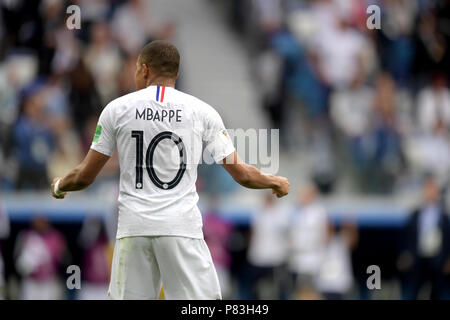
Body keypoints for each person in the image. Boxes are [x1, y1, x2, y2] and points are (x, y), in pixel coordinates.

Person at [50, 40, 290, 300]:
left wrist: (60, 185)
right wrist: (273, 180)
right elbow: (242, 174)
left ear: (144, 69)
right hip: (180, 227)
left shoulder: (116, 109)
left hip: (134, 228)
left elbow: (85, 176)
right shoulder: (202, 111)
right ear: (176, 73)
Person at [397, 174, 450, 299]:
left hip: (438, 261)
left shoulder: (444, 216)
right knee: (412, 292)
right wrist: (407, 255)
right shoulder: (416, 215)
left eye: (433, 188)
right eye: (428, 188)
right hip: (418, 260)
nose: (430, 192)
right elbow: (407, 237)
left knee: (438, 293)